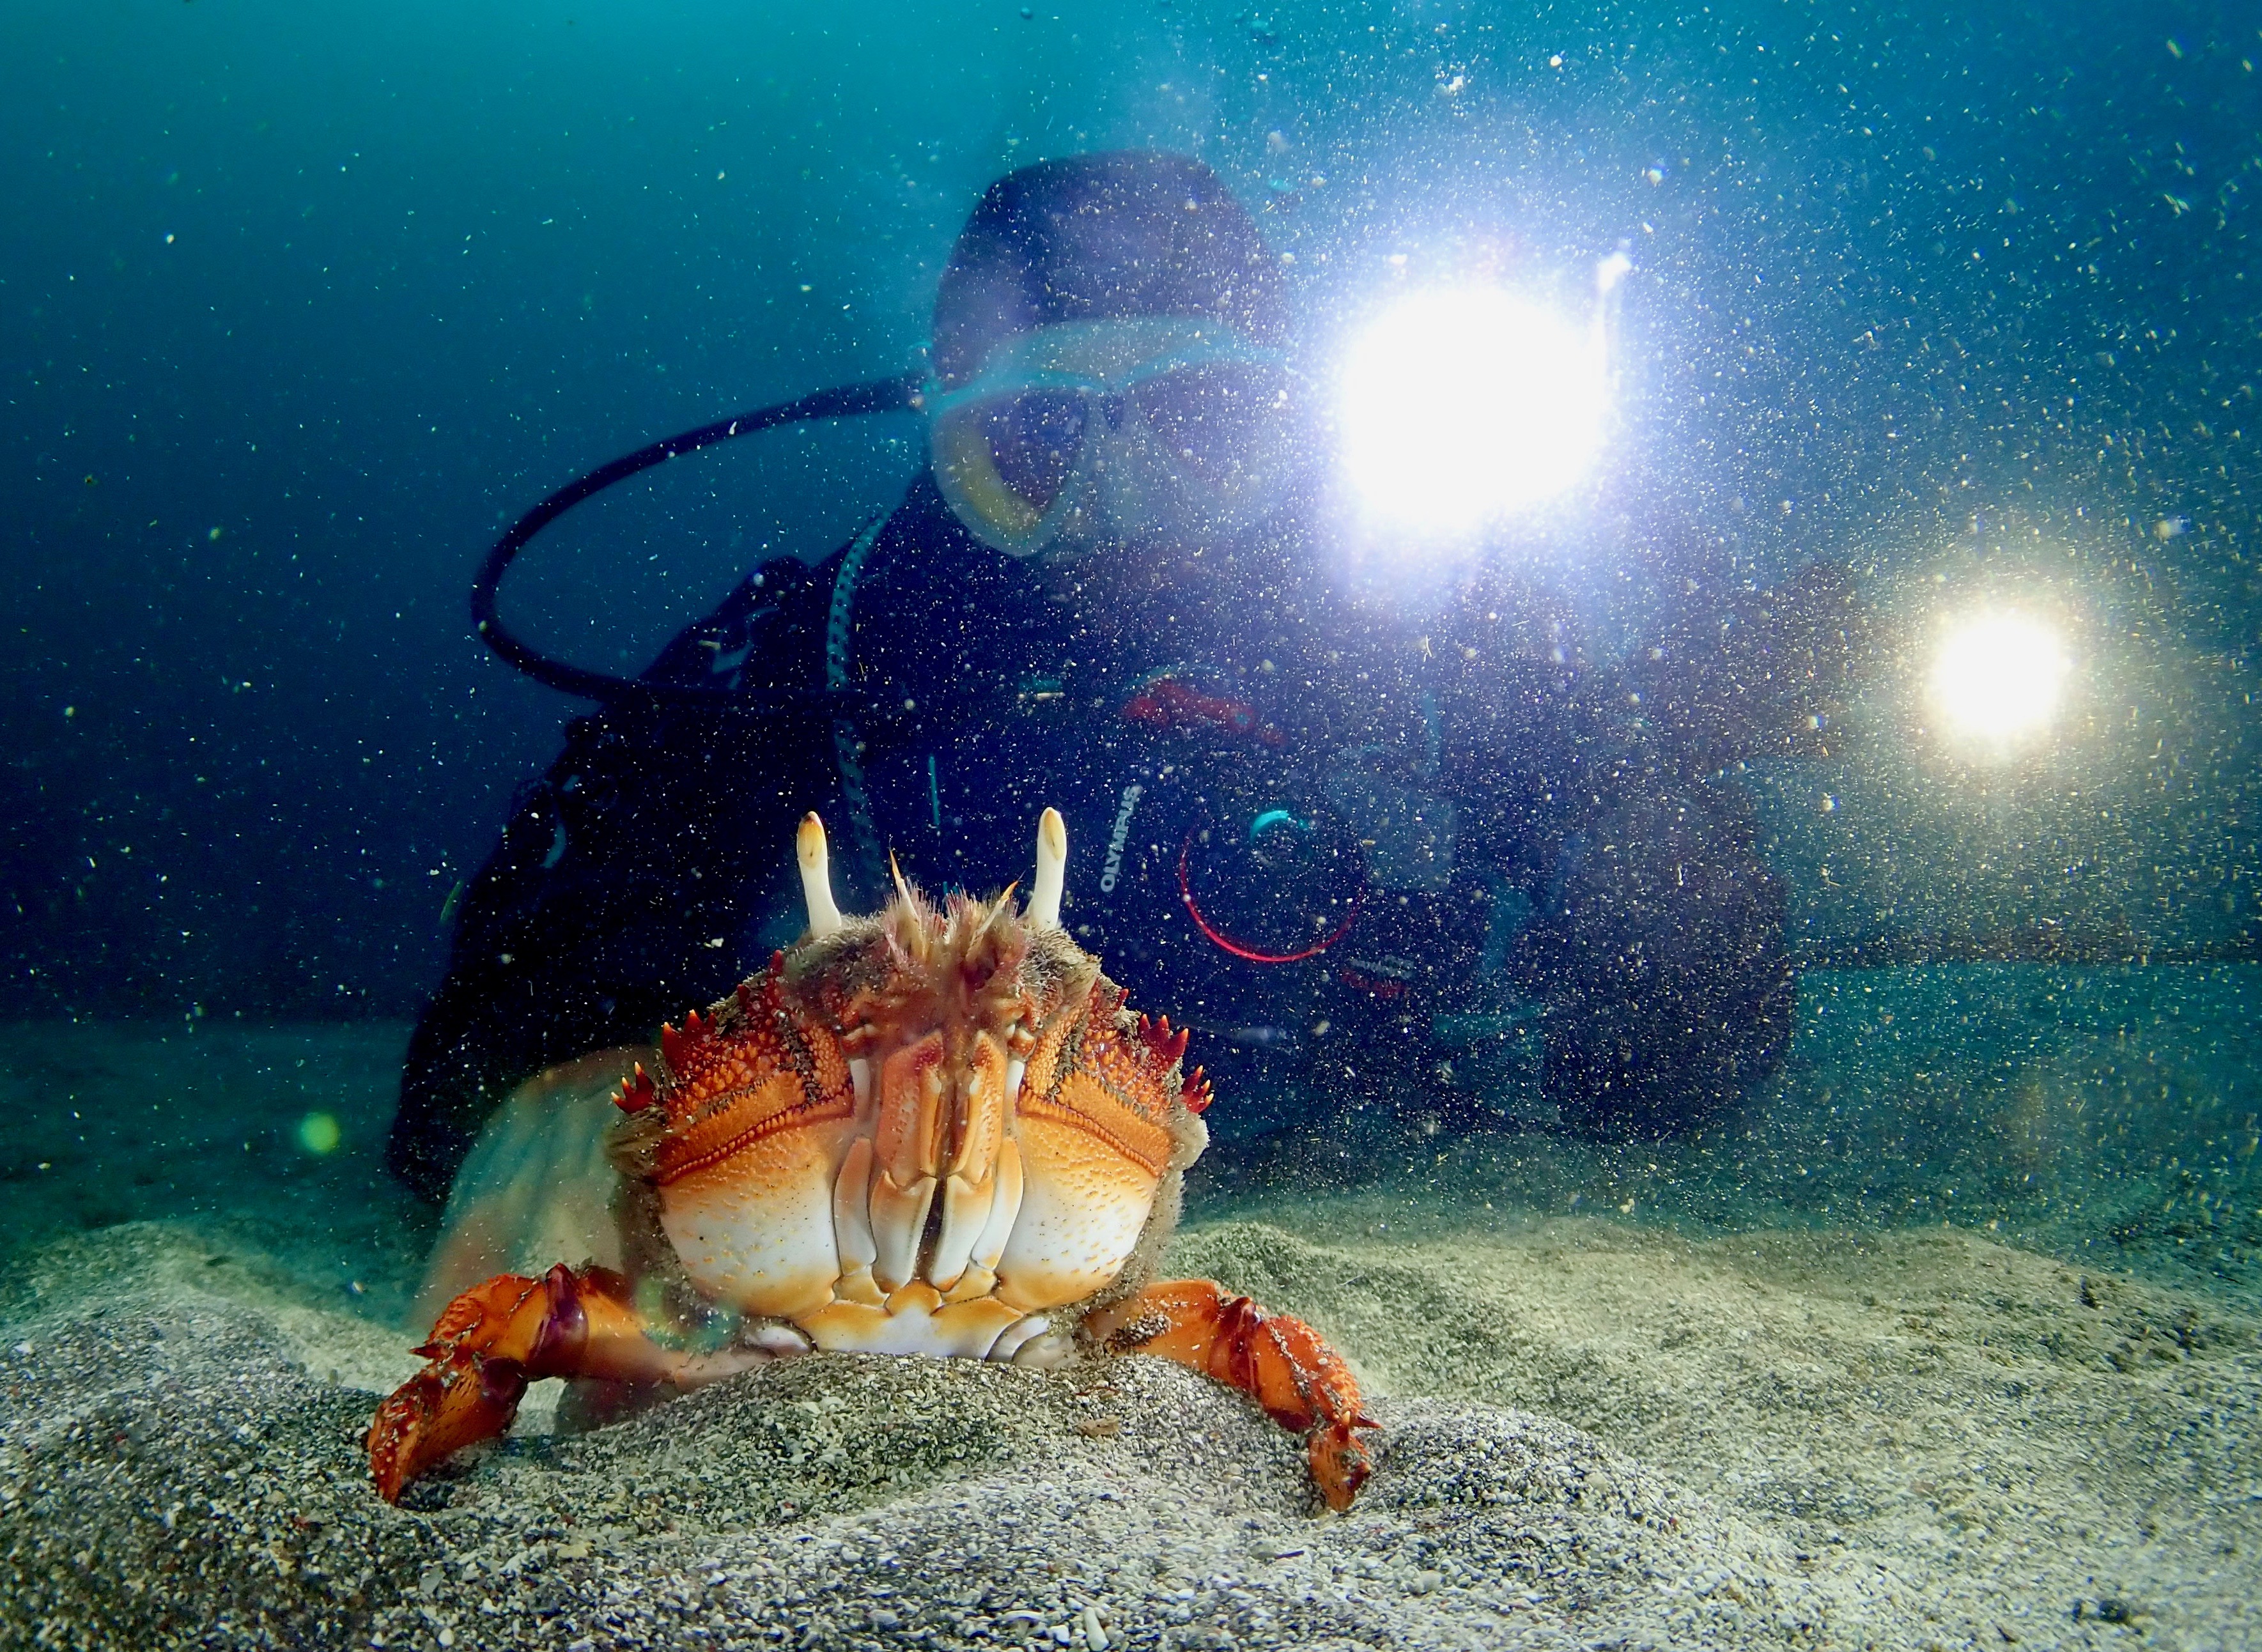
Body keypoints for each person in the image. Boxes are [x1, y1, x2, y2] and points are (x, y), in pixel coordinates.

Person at [389, 150, 1861, 1207]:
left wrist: (1662, 841)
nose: (1115, 510)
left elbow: (1682, 1053)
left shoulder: (1426, 621)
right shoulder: (819, 643)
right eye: (1034, 444)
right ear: (946, 429)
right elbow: (508, 996)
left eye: (1198, 428)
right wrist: (568, 1094)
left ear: (1285, 421)